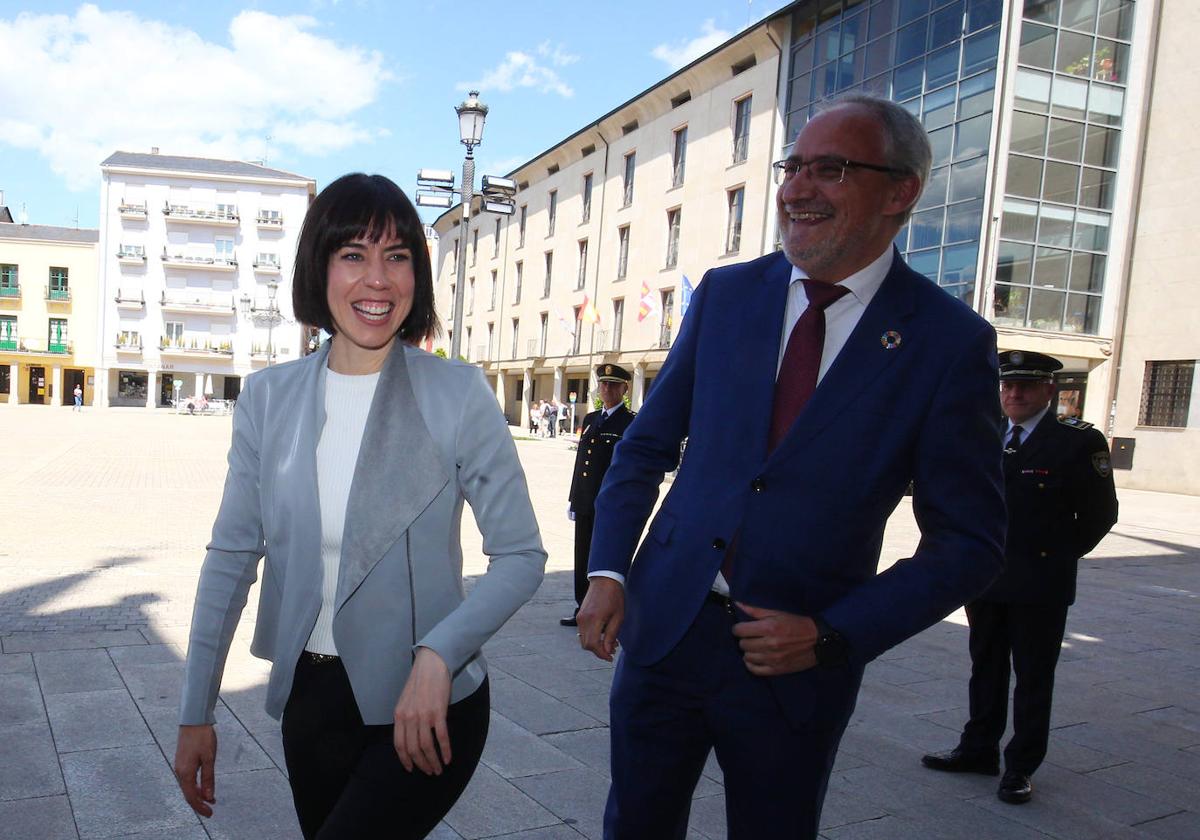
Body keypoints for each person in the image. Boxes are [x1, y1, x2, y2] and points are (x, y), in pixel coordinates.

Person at [576, 93, 1006, 839]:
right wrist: (609, 570)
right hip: (663, 628)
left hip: (796, 661)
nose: (795, 190)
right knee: (636, 823)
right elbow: (646, 447)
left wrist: (834, 634)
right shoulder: (728, 295)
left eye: (830, 170)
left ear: (900, 191)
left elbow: (969, 543)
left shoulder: (948, 342)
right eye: (793, 166)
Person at [173, 173, 546, 839]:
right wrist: (195, 709)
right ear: (319, 268)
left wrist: (440, 653)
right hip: (312, 708)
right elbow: (232, 557)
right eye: (353, 255)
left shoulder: (458, 394)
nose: (378, 280)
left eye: (397, 256)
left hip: (428, 706)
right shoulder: (268, 398)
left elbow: (520, 556)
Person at [922, 350, 1118, 805]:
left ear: (1050, 390)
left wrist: (1056, 557)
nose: (1014, 394)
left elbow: (1100, 514)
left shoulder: (1077, 441)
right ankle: (977, 749)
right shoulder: (984, 431)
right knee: (984, 667)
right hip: (986, 577)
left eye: (1026, 386)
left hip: (1040, 583)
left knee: (1033, 677)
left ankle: (1020, 766)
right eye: (1008, 386)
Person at [561, 364, 635, 628]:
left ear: (625, 389)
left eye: (613, 385)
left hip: (609, 503)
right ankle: (583, 608)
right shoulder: (591, 419)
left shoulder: (630, 422)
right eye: (603, 384)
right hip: (585, 500)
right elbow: (582, 462)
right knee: (581, 555)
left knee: (603, 556)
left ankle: (605, 610)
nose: (607, 389)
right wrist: (573, 497)